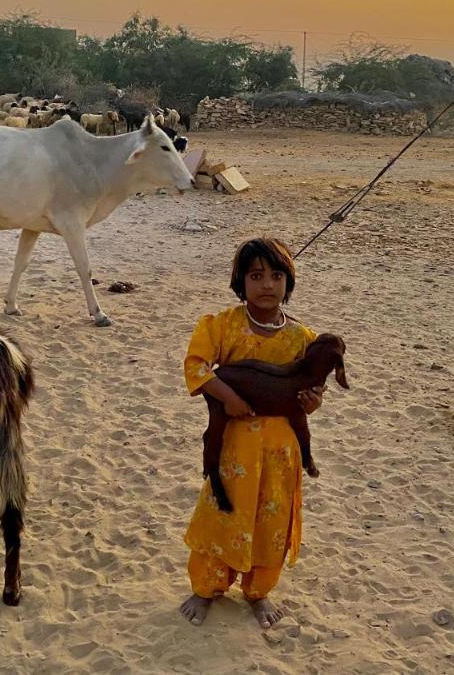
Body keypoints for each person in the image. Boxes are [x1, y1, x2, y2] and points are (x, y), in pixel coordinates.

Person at [180, 237, 325, 629]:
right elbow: (196, 366)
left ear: (288, 283)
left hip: (282, 453)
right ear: (240, 282)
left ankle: (258, 592)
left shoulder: (303, 339)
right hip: (234, 450)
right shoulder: (222, 326)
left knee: (270, 521)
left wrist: (312, 401)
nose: (267, 285)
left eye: (276, 275)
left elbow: (313, 393)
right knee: (222, 512)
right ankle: (206, 588)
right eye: (256, 275)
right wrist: (226, 396)